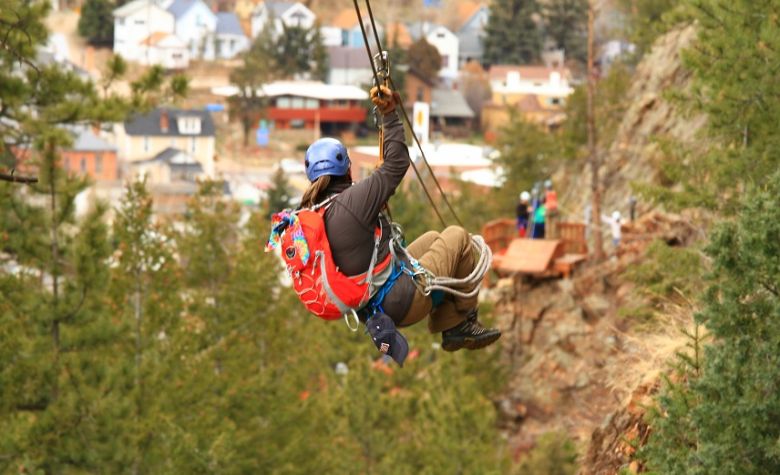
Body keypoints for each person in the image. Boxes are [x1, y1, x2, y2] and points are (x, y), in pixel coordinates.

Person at [296, 85, 500, 353]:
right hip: (401, 300)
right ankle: (458, 325)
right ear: (347, 167)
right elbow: (397, 164)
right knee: (458, 237)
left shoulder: (316, 211)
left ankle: (448, 316)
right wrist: (390, 114)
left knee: (432, 239)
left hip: (379, 302)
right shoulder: (353, 203)